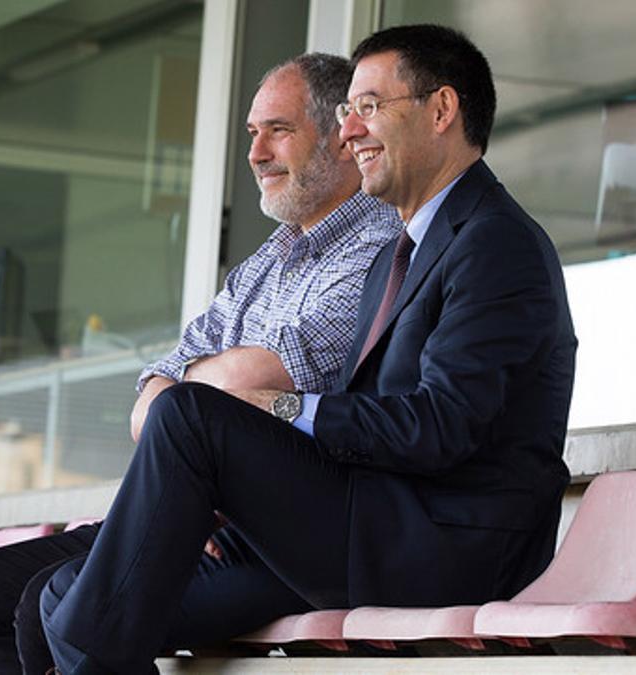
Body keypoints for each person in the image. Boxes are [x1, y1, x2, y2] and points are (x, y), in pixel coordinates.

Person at [34, 24, 577, 675]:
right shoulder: (400, 255)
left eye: (370, 106)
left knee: (187, 416)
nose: (350, 131)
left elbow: (443, 423)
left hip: (444, 543)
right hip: (366, 522)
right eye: (349, 111)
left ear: (441, 111)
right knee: (66, 598)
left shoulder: (495, 242)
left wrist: (286, 408)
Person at [0, 52, 400, 675]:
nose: (256, 153)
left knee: (56, 606)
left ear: (342, 140)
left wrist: (187, 403)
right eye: (252, 134)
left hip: (278, 532)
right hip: (188, 508)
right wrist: (187, 423)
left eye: (278, 131)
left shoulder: (377, 244)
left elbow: (257, 382)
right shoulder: (265, 264)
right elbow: (156, 391)